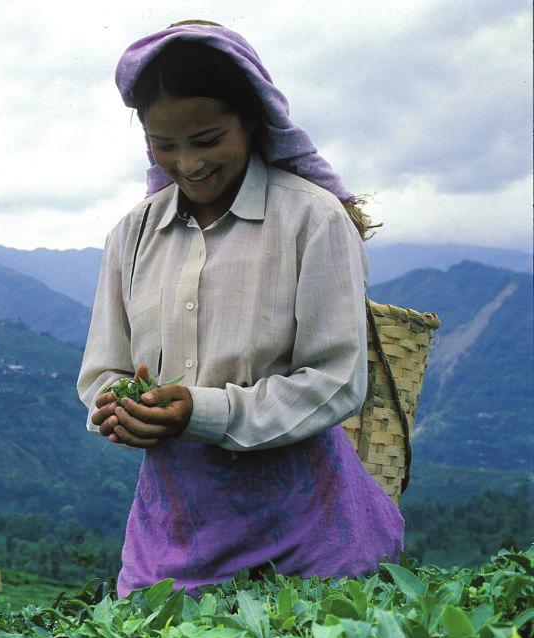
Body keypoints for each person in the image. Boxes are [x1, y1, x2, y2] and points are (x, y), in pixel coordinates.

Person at [77, 20, 404, 598]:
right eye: (164, 145)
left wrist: (199, 412)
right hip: (170, 540)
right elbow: (106, 368)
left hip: (307, 537)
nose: (188, 163)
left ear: (252, 119)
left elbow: (336, 381)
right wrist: (119, 407)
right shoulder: (131, 235)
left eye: (207, 139)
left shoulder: (312, 220)